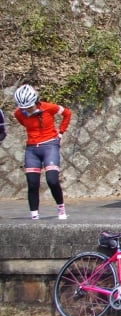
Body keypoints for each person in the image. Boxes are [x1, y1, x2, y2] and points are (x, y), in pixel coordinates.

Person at [13, 84, 72, 220]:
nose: (27, 110)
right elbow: (24, 122)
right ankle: (34, 215)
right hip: (32, 149)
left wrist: (61, 133)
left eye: (30, 107)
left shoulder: (48, 107)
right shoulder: (18, 114)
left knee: (52, 180)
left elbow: (67, 113)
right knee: (32, 183)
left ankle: (61, 207)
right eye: (24, 108)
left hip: (50, 146)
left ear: (36, 101)